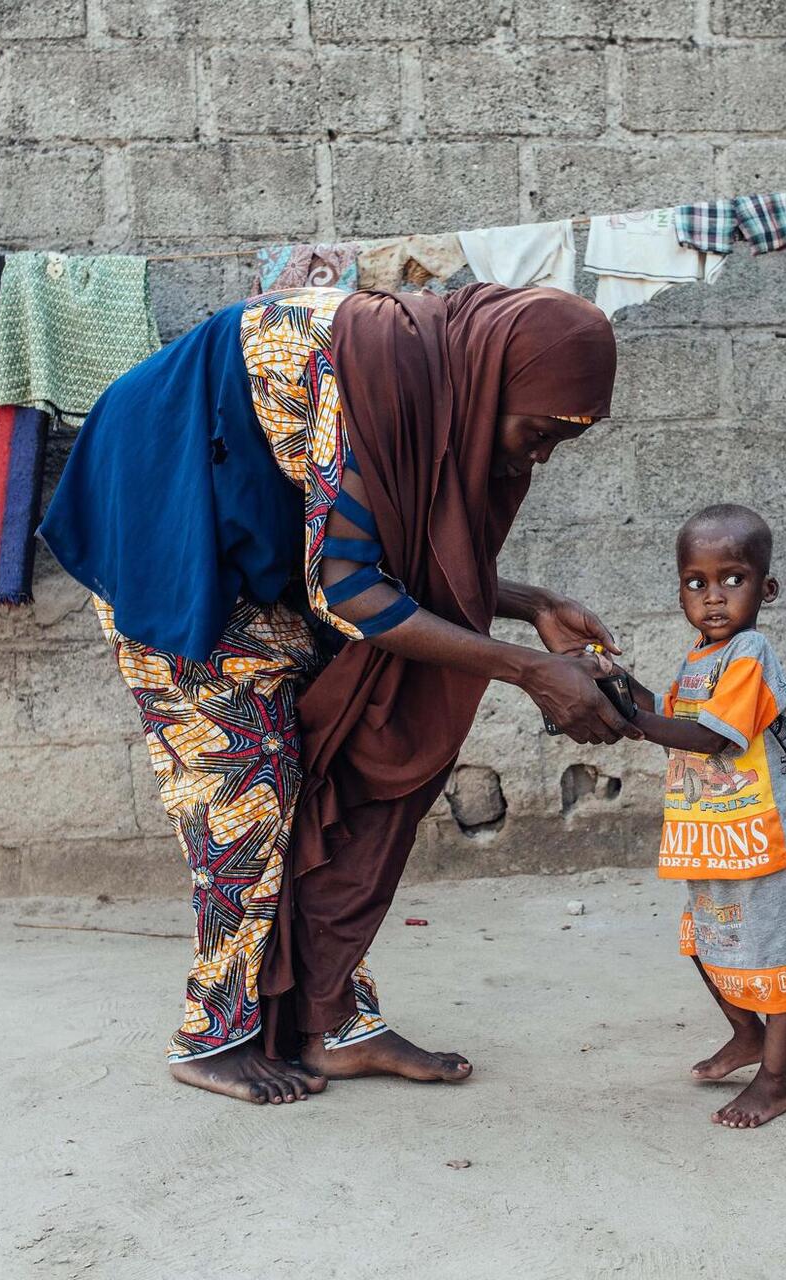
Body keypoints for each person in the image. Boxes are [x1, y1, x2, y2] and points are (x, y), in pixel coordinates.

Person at [39, 283, 640, 1105]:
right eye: (536, 434)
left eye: (559, 445)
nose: (538, 459)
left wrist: (534, 606)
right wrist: (528, 669)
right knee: (245, 793)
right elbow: (351, 590)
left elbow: (395, 553)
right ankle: (211, 1038)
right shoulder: (372, 375)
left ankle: (332, 1023)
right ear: (493, 378)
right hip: (166, 536)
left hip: (262, 551)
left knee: (319, 782)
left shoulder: (438, 382)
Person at [618, 504, 786, 1128]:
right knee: (707, 945)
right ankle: (746, 1035)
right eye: (695, 582)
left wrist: (629, 719)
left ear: (767, 589)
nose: (713, 596)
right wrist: (614, 684)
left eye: (733, 579)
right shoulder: (699, 658)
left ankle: (775, 1082)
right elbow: (669, 714)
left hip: (764, 840)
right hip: (713, 840)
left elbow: (708, 737)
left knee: (775, 959)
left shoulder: (751, 652)